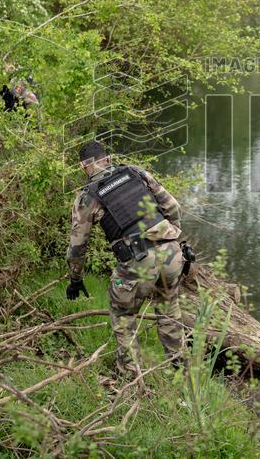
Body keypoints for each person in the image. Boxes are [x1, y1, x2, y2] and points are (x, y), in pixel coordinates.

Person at [65, 141, 189, 375]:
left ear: (83, 166)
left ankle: (131, 376)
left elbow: (77, 248)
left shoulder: (87, 197)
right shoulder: (136, 172)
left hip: (139, 260)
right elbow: (173, 207)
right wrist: (174, 238)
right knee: (169, 311)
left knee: (123, 314)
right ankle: (181, 373)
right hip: (172, 253)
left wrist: (75, 279)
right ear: (108, 159)